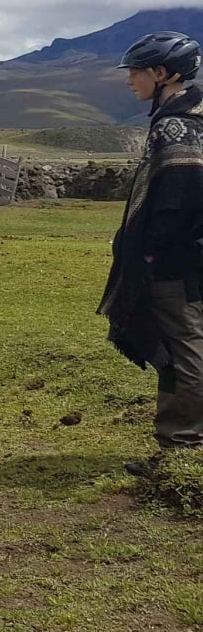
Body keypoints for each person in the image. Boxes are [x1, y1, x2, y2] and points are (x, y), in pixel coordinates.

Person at [99, 31, 203, 476]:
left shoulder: (175, 125)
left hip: (176, 259)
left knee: (183, 346)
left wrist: (149, 254)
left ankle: (182, 447)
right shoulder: (193, 116)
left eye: (137, 73)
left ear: (164, 74)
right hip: (190, 253)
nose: (130, 82)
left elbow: (178, 198)